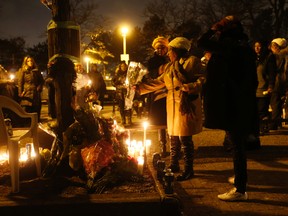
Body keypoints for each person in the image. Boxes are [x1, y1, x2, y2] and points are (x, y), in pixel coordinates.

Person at [197, 16, 258, 201]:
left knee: (237, 145)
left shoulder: (227, 47)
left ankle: (240, 189)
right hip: (242, 102)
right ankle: (240, 179)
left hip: (232, 103)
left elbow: (201, 42)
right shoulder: (244, 47)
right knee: (237, 144)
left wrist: (214, 28)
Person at [137, 37, 204, 181]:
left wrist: (191, 87)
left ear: (177, 51)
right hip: (172, 104)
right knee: (173, 135)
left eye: (171, 51)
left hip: (186, 104)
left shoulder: (193, 62)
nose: (168, 54)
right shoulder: (169, 66)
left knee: (185, 138)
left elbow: (204, 79)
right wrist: (139, 88)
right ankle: (174, 164)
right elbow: (158, 82)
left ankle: (188, 169)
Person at [145, 36, 170, 158]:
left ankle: (174, 146)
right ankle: (163, 145)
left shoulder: (171, 58)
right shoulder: (152, 61)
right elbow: (150, 75)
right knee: (160, 121)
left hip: (170, 92)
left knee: (172, 119)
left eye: (163, 48)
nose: (160, 50)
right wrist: (159, 71)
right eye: (158, 48)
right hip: (157, 93)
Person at [254, 40, 277, 134]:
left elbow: (272, 73)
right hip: (255, 88)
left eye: (259, 46)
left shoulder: (269, 57)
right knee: (256, 109)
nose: (257, 48)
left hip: (264, 88)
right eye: (255, 46)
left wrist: (270, 85)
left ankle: (263, 127)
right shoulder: (255, 58)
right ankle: (258, 127)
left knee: (262, 109)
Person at [269, 38, 288, 130]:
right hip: (283, 81)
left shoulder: (277, 56)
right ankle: (278, 122)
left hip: (277, 81)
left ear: (276, 47)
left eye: (272, 45)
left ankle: (274, 123)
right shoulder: (285, 55)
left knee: (275, 102)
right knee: (279, 102)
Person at [17, 56, 44, 121]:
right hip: (26, 92)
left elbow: (41, 80)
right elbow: (20, 82)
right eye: (28, 61)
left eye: (31, 61)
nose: (30, 62)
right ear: (26, 62)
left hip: (35, 92)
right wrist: (20, 92)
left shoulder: (36, 71)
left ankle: (35, 123)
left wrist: (39, 86)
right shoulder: (23, 70)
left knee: (36, 109)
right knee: (26, 108)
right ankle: (25, 123)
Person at [112, 61, 131, 125]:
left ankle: (129, 119)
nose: (123, 67)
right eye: (122, 66)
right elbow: (113, 83)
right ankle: (123, 119)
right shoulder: (117, 74)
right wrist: (120, 85)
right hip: (120, 93)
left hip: (127, 92)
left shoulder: (129, 73)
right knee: (121, 107)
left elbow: (132, 82)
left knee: (128, 106)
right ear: (120, 67)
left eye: (124, 66)